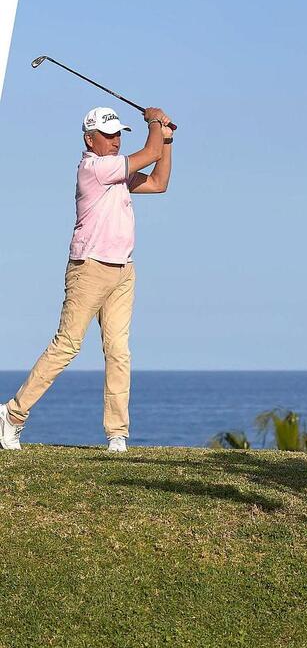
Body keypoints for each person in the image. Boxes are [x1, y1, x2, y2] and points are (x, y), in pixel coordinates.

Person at [0, 105, 174, 452]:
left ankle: (117, 435)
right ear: (89, 139)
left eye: (118, 135)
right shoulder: (95, 168)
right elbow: (149, 152)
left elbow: (158, 183)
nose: (114, 142)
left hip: (123, 270)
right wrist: (155, 120)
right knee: (67, 345)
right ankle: (12, 415)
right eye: (108, 136)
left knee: (119, 352)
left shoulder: (117, 172)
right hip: (89, 268)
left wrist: (166, 140)